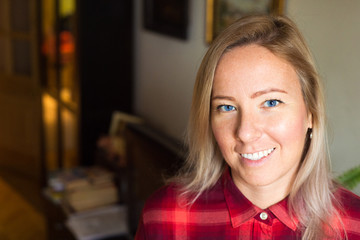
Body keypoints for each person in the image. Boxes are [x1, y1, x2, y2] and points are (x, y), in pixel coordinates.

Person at [135, 14, 360, 239]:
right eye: (226, 107)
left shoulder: (354, 224)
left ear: (310, 112)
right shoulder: (164, 217)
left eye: (271, 102)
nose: (245, 132)